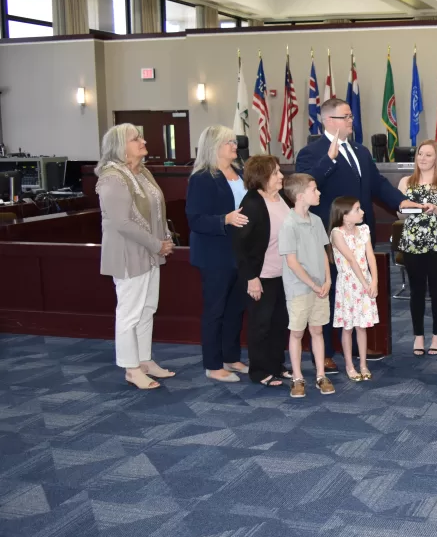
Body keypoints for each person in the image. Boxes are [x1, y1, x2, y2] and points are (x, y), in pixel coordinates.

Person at [295, 97, 417, 372]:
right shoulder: (311, 153)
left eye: (351, 116)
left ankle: (353, 346)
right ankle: (325, 350)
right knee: (329, 290)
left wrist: (400, 201)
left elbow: (378, 184)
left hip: (360, 235)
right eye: (346, 116)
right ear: (328, 121)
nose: (352, 120)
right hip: (330, 238)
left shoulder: (360, 151)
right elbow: (303, 188)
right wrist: (329, 160)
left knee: (357, 290)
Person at [95, 123, 175, 390]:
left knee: (147, 309)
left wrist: (164, 239)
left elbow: (157, 210)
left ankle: (144, 360)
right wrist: (156, 244)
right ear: (121, 147)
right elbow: (122, 222)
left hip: (150, 252)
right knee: (129, 313)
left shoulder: (143, 173)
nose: (142, 141)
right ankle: (131, 368)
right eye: (135, 139)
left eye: (140, 136)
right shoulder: (111, 178)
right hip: (128, 254)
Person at [186, 125, 249, 383]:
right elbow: (195, 220)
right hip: (215, 253)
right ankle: (213, 364)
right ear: (214, 147)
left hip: (240, 250)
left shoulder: (241, 172)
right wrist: (225, 219)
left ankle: (230, 356)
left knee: (236, 308)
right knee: (215, 310)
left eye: (235, 143)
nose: (235, 147)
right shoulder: (202, 177)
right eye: (229, 143)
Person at [232, 154, 291, 388]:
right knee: (261, 324)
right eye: (276, 172)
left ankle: (276, 365)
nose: (281, 176)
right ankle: (259, 370)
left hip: (283, 274)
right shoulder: (252, 203)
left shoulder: (282, 197)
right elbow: (240, 245)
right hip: (262, 275)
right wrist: (251, 278)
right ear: (262, 176)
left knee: (279, 323)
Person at [397, 139, 437, 356]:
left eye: (428, 155)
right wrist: (411, 209)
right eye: (420, 154)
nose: (422, 158)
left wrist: (435, 209)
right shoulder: (406, 181)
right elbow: (399, 213)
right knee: (417, 291)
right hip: (412, 243)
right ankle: (418, 336)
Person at [279, 173, 335, 399]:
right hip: (300, 289)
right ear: (301, 196)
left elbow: (323, 252)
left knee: (317, 330)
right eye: (314, 189)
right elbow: (292, 262)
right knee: (297, 333)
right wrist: (312, 283)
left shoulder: (317, 220)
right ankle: (297, 377)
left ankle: (321, 375)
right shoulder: (289, 224)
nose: (319, 192)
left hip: (319, 287)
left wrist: (328, 279)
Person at [329, 197, 379, 381]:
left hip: (364, 282)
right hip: (349, 285)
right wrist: (366, 284)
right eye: (357, 209)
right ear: (344, 215)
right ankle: (350, 365)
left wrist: (374, 282)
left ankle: (363, 364)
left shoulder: (364, 229)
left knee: (362, 326)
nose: (362, 212)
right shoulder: (337, 233)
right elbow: (351, 260)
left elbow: (370, 257)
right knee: (348, 327)